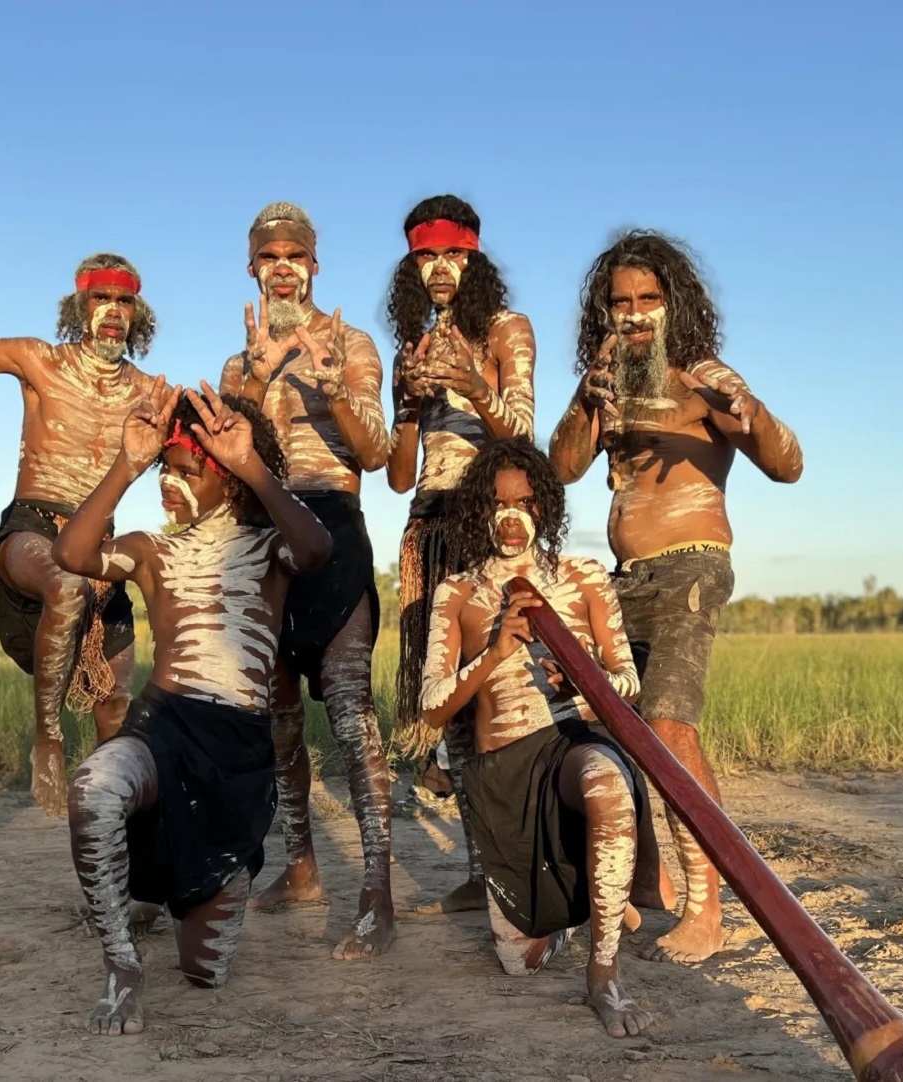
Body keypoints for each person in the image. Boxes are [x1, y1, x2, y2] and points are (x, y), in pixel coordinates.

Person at [547, 230, 804, 964]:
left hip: (692, 567)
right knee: (607, 725)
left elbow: (788, 464)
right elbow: (562, 468)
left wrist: (747, 405)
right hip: (625, 581)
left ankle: (710, 907)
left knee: (670, 727)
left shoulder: (700, 382)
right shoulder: (607, 387)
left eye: (648, 300)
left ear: (674, 305)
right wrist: (582, 397)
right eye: (621, 303)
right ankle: (649, 881)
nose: (634, 315)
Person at [57, 383, 331, 1035]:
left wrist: (251, 465)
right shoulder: (155, 552)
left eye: (186, 473)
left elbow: (319, 548)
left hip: (236, 753)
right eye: (166, 473)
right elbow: (72, 554)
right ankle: (121, 967)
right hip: (163, 725)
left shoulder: (271, 551)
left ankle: (220, 876)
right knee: (94, 789)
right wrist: (127, 463)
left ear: (230, 477)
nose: (169, 486)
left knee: (204, 975)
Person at [418, 438, 663, 1037]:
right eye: (497, 504)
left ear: (545, 509)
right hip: (504, 770)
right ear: (479, 511)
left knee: (608, 784)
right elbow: (431, 707)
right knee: (517, 964)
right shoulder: (456, 593)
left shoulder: (581, 577)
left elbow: (627, 679)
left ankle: (603, 975)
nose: (510, 517)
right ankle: (583, 904)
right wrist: (496, 650)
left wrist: (582, 671)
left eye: (525, 503)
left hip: (572, 742)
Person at [218, 202, 397, 959]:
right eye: (269, 254)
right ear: (253, 268)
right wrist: (258, 384)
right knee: (279, 714)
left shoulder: (350, 343)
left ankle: (377, 892)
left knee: (351, 708)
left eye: (295, 253)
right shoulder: (239, 361)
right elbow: (233, 454)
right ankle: (300, 869)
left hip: (332, 520)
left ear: (316, 265)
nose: (283, 264)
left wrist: (329, 391)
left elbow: (380, 453)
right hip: (262, 528)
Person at [0, 253, 168, 812]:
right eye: (101, 299)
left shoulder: (150, 393)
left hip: (98, 547)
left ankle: (116, 856)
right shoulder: (39, 361)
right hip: (31, 531)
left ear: (137, 314)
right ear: (80, 306)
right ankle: (47, 737)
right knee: (65, 583)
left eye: (124, 301)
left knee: (118, 707)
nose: (112, 311)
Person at [381, 194, 537, 913]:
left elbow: (524, 441)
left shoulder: (506, 330)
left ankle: (526, 863)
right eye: (425, 256)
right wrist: (409, 406)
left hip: (486, 529)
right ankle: (485, 870)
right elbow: (397, 473)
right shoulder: (411, 345)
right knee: (449, 700)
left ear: (472, 258)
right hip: (428, 527)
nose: (439, 268)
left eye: (451, 254)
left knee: (501, 698)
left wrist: (473, 384)